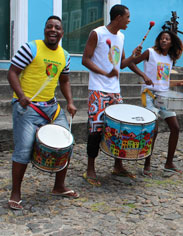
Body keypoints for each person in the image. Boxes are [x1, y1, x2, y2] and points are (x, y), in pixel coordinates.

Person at [7, 16, 78, 210]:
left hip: (51, 108)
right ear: (45, 30)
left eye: (57, 27)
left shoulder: (65, 55)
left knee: (67, 143)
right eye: (49, 27)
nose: (53, 30)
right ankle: (16, 193)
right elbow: (11, 72)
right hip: (28, 107)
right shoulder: (31, 48)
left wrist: (70, 102)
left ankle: (59, 186)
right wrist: (21, 96)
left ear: (62, 32)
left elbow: (64, 81)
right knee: (23, 149)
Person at [81, 4, 142, 186]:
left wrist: (132, 56)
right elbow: (85, 59)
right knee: (96, 130)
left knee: (120, 128)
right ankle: (90, 169)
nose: (129, 20)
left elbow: (121, 64)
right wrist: (104, 73)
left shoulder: (121, 36)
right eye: (127, 17)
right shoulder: (97, 33)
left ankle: (118, 165)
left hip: (115, 90)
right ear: (118, 18)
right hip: (98, 89)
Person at [130, 30, 183, 176]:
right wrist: (143, 76)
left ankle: (169, 163)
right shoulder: (150, 52)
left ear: (171, 42)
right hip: (149, 95)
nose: (164, 41)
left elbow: (164, 81)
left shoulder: (170, 58)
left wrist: (180, 82)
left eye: (167, 39)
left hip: (163, 96)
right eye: (162, 38)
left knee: (175, 127)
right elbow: (131, 63)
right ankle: (147, 164)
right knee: (153, 130)